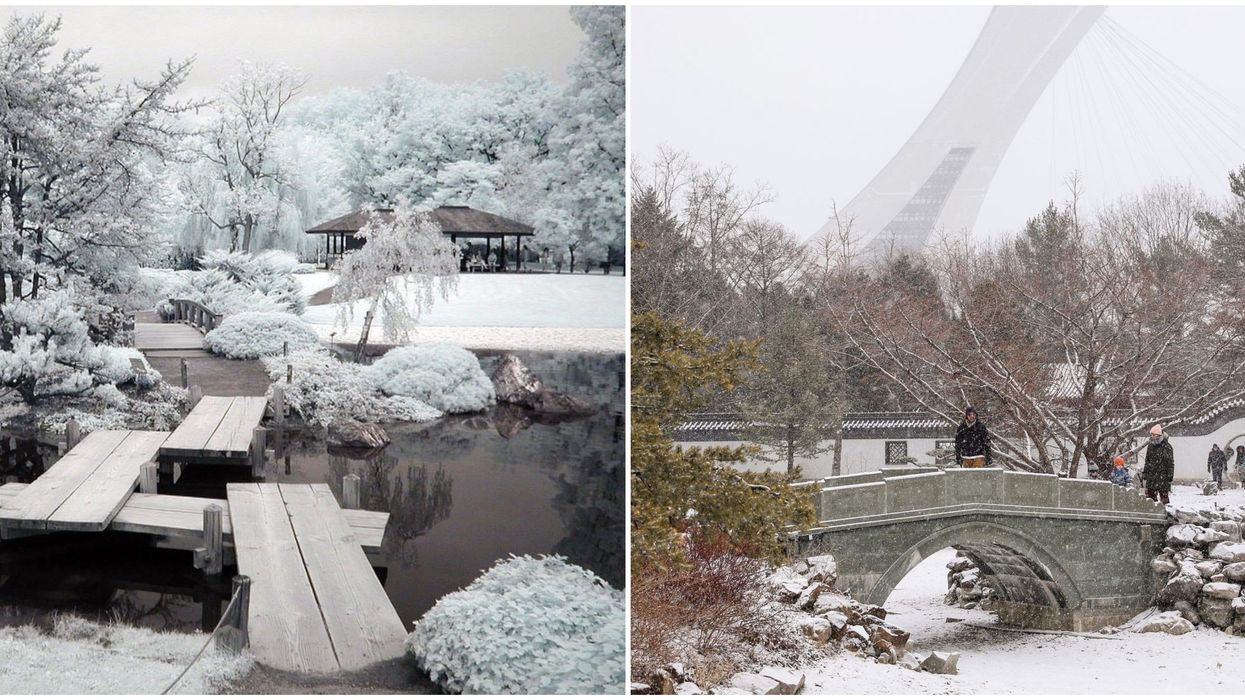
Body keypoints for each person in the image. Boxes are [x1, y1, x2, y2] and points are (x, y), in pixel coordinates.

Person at [1142, 424, 1174, 504]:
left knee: (1164, 499)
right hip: (1151, 476)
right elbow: (1147, 461)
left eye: (1154, 434)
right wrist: (1145, 473)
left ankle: (1165, 514)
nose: (1152, 436)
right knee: (1150, 500)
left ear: (1159, 435)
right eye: (1151, 434)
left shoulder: (1167, 447)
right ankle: (1151, 513)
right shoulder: (1150, 446)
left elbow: (1170, 463)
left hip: (1163, 476)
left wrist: (1170, 476)